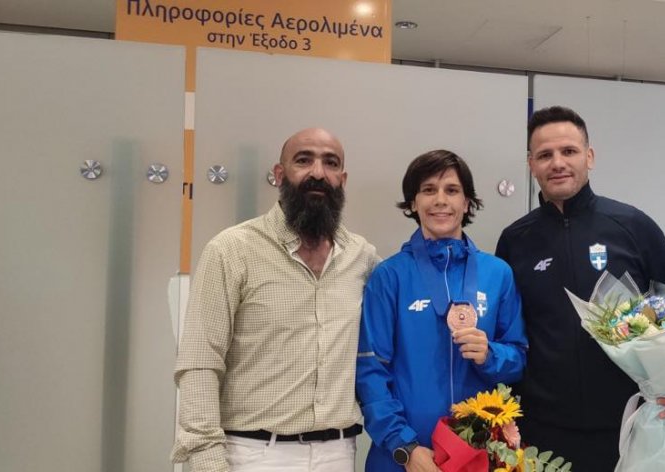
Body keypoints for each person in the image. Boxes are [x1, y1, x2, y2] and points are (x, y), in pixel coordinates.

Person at [494, 106, 665, 471]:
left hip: (628, 424)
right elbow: (505, 333)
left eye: (569, 151)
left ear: (589, 157)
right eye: (545, 155)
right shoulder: (515, 240)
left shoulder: (631, 225)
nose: (557, 163)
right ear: (531, 165)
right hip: (540, 432)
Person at [171, 128, 380, 472]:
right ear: (279, 174)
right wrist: (207, 459)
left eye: (330, 163)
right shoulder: (231, 250)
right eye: (304, 160)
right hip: (253, 455)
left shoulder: (362, 257)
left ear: (342, 180)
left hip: (339, 453)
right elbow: (199, 361)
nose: (318, 173)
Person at [356, 150, 528, 472]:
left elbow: (518, 358)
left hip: (478, 454)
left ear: (467, 202)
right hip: (405, 459)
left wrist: (490, 355)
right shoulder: (390, 276)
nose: (440, 200)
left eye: (451, 190)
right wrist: (404, 447)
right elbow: (370, 372)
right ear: (413, 203)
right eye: (428, 190)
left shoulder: (497, 274)